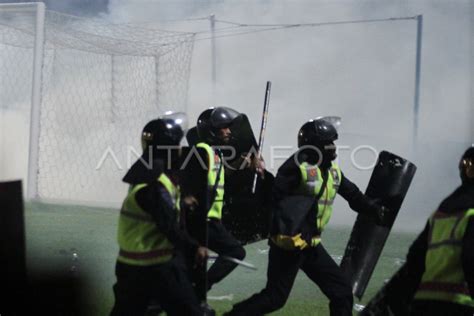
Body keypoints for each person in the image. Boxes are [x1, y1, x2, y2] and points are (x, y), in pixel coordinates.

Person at [225, 118, 388, 316]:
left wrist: (374, 209)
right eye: (329, 142)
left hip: (310, 244)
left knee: (342, 293)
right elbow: (272, 196)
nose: (334, 147)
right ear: (315, 145)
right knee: (275, 298)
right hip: (288, 245)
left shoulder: (332, 170)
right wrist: (258, 173)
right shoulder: (296, 167)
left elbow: (352, 195)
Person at [110, 113, 210, 316]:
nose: (181, 149)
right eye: (177, 144)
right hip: (156, 266)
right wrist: (194, 248)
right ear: (168, 148)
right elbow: (168, 225)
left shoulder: (145, 175)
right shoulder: (155, 185)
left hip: (130, 265)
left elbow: (155, 209)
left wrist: (181, 202)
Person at [182, 107, 265, 295]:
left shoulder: (213, 153)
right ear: (211, 131)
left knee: (190, 271)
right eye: (224, 128)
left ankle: (195, 298)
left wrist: (246, 165)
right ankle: (199, 289)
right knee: (234, 252)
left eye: (229, 127)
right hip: (203, 219)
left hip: (207, 219)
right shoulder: (202, 153)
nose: (229, 131)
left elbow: (217, 177)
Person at [403, 146, 474, 315]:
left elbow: (415, 255)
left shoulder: (443, 210)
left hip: (424, 300)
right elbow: (470, 258)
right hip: (457, 302)